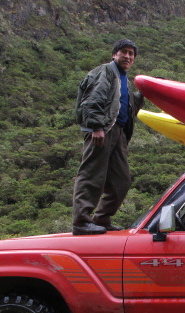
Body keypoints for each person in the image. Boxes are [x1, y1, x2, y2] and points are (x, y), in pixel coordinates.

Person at [73, 39, 144, 235]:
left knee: (122, 180)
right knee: (92, 175)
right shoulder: (105, 72)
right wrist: (96, 127)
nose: (128, 56)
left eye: (131, 53)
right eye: (124, 52)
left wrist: (145, 93)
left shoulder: (124, 79)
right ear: (115, 54)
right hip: (102, 130)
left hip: (119, 132)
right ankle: (81, 221)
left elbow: (128, 105)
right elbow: (92, 99)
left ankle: (102, 218)